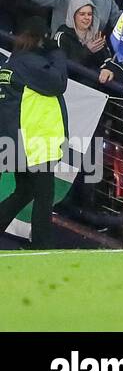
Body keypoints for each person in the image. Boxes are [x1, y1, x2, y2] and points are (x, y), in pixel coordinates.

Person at [0, 21, 69, 248]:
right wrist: (57, 51)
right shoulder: (31, 63)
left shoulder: (12, 63)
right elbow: (59, 83)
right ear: (41, 38)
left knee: (24, 190)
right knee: (43, 195)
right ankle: (42, 246)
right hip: (34, 140)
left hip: (17, 137)